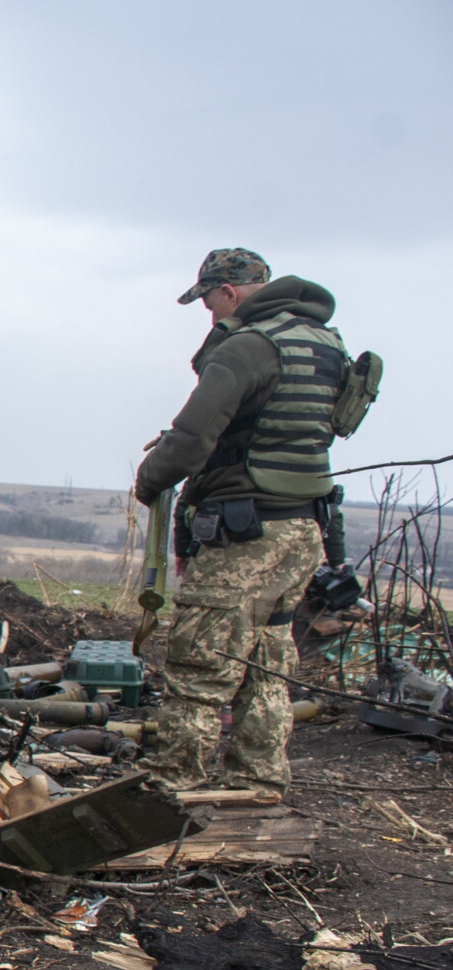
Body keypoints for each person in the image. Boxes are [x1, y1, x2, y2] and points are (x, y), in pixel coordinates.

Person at [135, 248, 346, 797]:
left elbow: (191, 439)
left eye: (207, 299)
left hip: (245, 531)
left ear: (228, 292)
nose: (208, 313)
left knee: (199, 666)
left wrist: (149, 479)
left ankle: (172, 788)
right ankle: (258, 782)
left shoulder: (247, 347)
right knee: (267, 662)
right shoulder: (325, 342)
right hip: (304, 529)